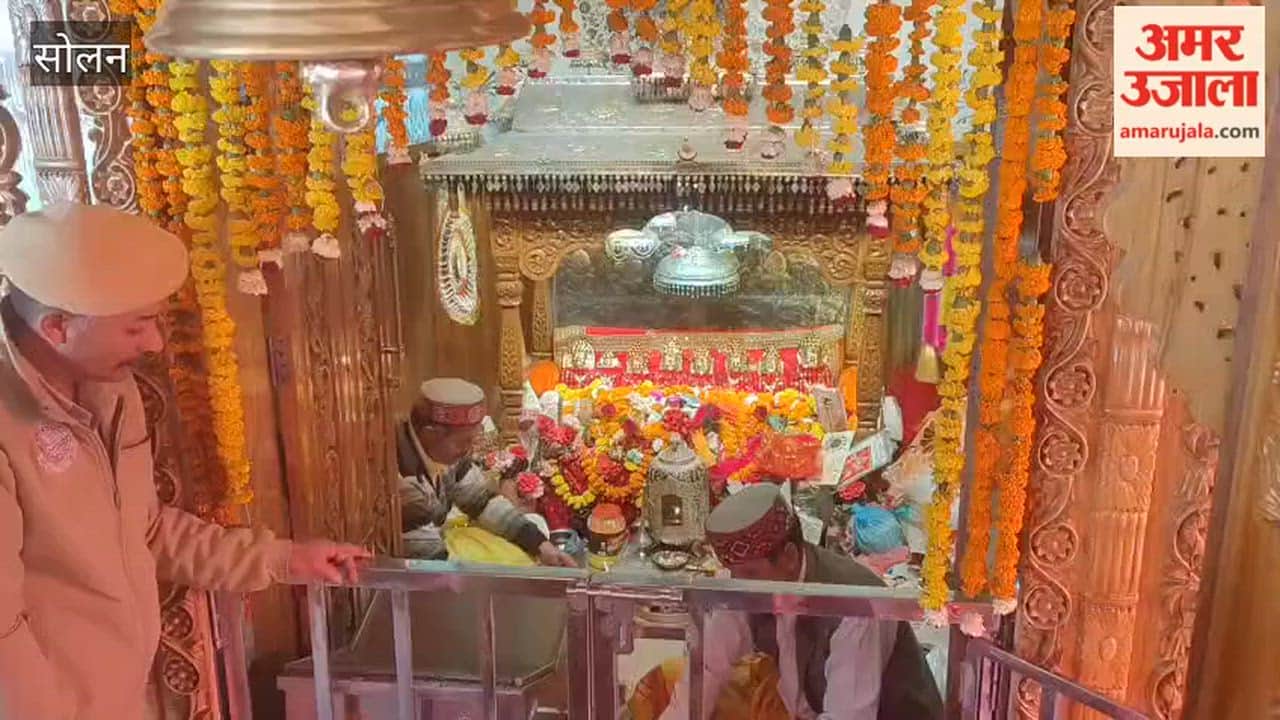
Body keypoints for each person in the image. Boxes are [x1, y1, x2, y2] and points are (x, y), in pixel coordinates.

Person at [0, 203, 372, 720]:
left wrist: (282, 559)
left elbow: (146, 531)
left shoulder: (112, 389)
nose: (154, 343)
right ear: (58, 328)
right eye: (137, 327)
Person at [658, 484, 944, 720]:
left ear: (790, 557)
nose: (741, 584)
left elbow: (847, 715)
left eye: (751, 573)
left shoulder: (854, 604)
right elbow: (707, 670)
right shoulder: (748, 585)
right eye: (734, 573)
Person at [397, 377, 575, 567]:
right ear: (430, 434)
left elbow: (481, 502)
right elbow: (431, 562)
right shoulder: (403, 479)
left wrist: (542, 546)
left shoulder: (442, 451)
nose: (468, 450)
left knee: (532, 526)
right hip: (419, 568)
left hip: (436, 553)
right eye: (462, 442)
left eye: (472, 440)